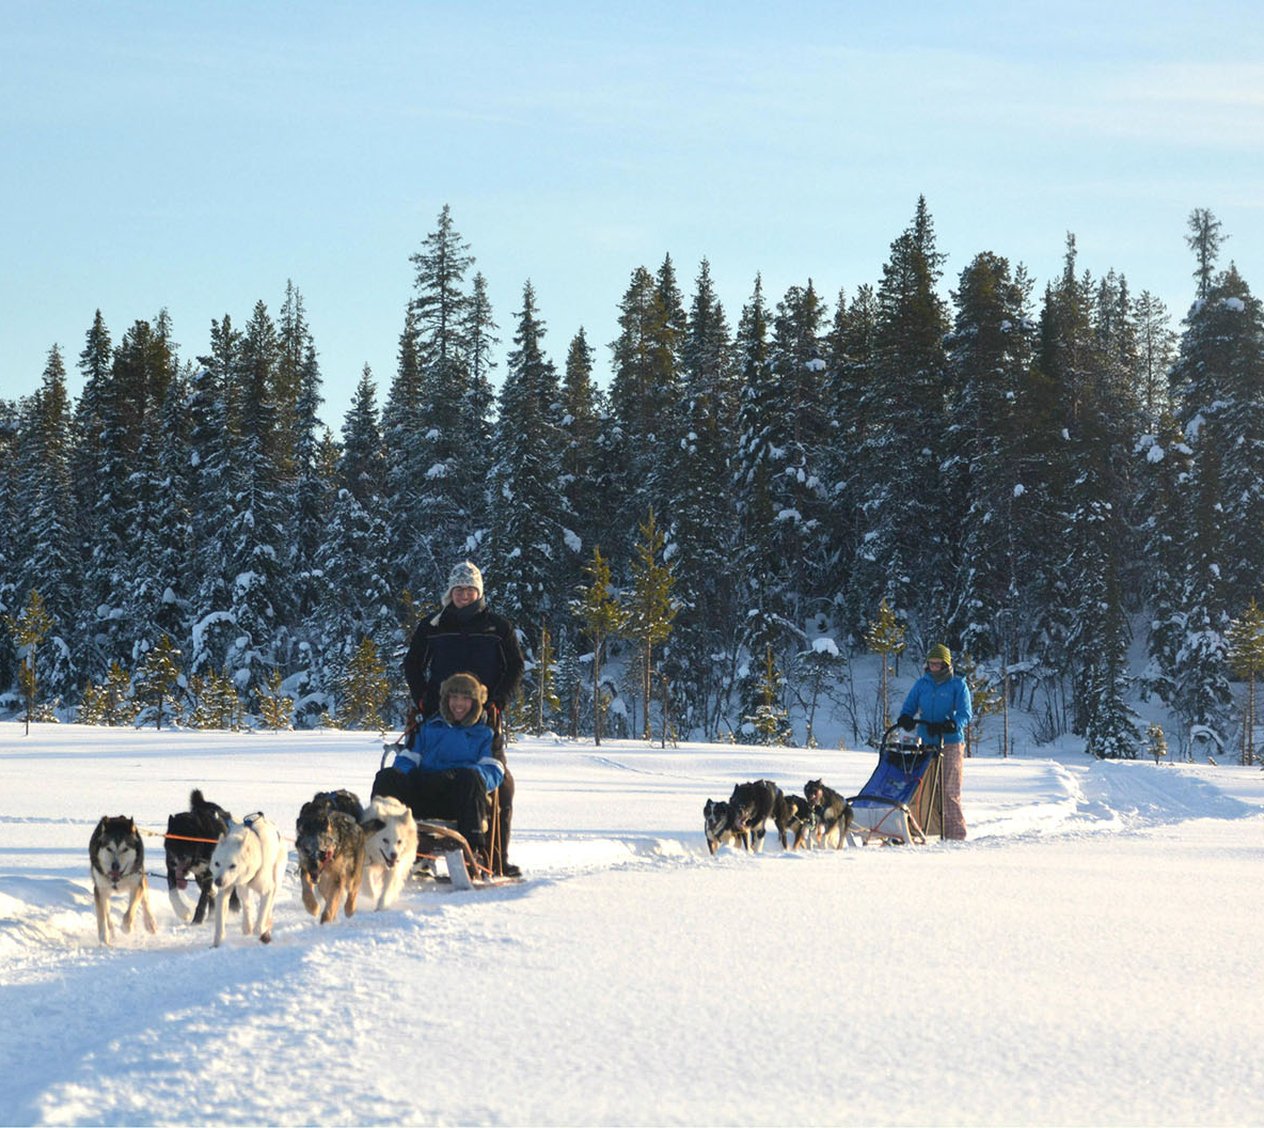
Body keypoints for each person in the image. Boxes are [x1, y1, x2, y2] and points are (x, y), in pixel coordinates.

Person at [403, 561, 525, 875]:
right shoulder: (433, 626)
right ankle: (416, 849)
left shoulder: (497, 627)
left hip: (483, 715)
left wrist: (498, 700)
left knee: (501, 786)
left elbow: (515, 666)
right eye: (458, 589)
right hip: (437, 713)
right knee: (419, 771)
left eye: (470, 589)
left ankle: (494, 858)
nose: (464, 595)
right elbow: (413, 664)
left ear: (479, 592)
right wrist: (422, 697)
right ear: (450, 592)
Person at [372, 672, 505, 865]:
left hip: (459, 798)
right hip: (423, 793)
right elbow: (406, 760)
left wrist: (460, 775)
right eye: (454, 697)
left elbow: (494, 771)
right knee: (387, 777)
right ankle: (376, 842)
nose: (459, 704)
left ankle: (473, 853)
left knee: (471, 777)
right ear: (446, 700)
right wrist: (412, 776)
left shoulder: (485, 734)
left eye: (466, 698)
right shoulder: (428, 728)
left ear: (476, 703)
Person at [897, 643, 972, 840]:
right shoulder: (922, 684)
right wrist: (906, 717)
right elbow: (909, 706)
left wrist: (953, 723)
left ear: (946, 665)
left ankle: (955, 836)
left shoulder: (957, 684)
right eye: (931, 664)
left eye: (938, 664)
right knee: (921, 789)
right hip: (926, 742)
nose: (934, 667)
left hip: (950, 742)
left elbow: (965, 713)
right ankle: (918, 831)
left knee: (949, 790)